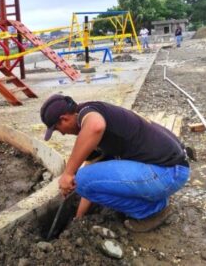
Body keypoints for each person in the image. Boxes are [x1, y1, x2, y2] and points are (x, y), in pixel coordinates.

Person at [40, 94, 190, 232]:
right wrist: (78, 218)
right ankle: (154, 201)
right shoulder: (96, 119)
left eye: (58, 129)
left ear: (64, 119)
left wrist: (68, 173)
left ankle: (151, 211)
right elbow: (89, 182)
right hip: (169, 171)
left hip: (168, 173)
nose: (63, 134)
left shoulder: (88, 114)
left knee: (80, 178)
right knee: (85, 179)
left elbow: (96, 126)